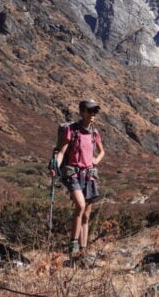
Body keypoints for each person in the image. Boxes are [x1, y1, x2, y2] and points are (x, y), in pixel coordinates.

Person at [51, 99, 105, 258]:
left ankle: (83, 250)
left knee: (87, 214)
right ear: (82, 112)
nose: (93, 114)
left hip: (89, 175)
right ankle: (73, 244)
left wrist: (96, 160)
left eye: (95, 111)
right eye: (90, 111)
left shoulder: (95, 133)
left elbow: (102, 151)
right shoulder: (72, 130)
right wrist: (55, 166)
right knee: (80, 206)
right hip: (73, 173)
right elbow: (61, 152)